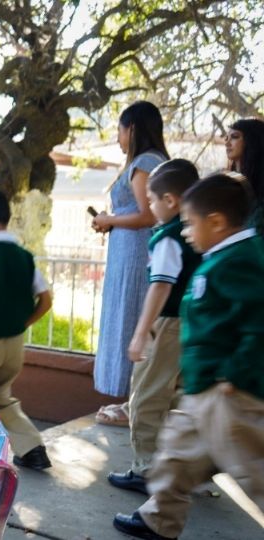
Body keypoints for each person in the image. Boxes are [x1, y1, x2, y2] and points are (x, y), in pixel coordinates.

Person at [113, 173, 264, 540]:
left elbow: (259, 322)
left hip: (230, 394)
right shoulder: (218, 257)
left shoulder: (242, 260)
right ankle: (158, 521)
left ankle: (159, 518)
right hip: (203, 390)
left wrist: (234, 373)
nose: (184, 232)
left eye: (189, 223)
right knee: (176, 458)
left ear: (216, 221)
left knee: (254, 471)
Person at [107, 159, 201, 494]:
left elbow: (160, 285)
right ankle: (182, 470)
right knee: (179, 400)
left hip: (168, 324)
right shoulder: (198, 233)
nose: (149, 208)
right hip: (193, 325)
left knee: (146, 398)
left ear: (171, 201)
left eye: (151, 201)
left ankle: (146, 469)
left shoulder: (168, 238)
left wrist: (141, 331)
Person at [0, 190, 53, 470]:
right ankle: (32, 447)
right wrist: (21, 324)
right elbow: (46, 300)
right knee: (1, 398)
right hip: (14, 344)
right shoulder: (24, 257)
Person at [92, 101, 168, 418]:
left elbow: (146, 215)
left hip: (136, 254)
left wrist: (109, 219)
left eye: (120, 130)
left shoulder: (144, 162)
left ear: (132, 128)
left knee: (130, 316)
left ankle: (133, 401)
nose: (119, 138)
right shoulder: (157, 160)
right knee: (130, 316)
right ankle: (132, 400)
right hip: (131, 251)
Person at [225, 118, 264, 233]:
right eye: (227, 138)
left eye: (235, 137)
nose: (227, 143)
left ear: (252, 140)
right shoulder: (226, 181)